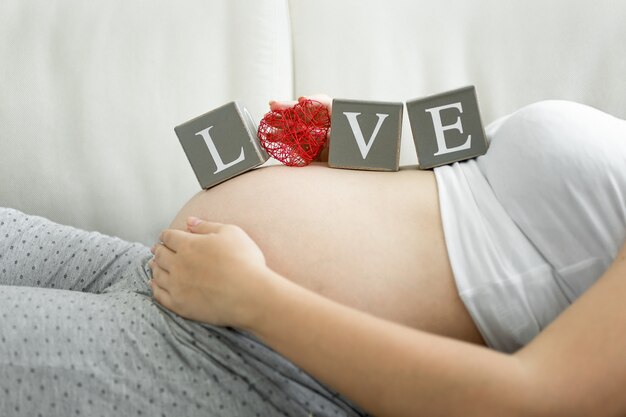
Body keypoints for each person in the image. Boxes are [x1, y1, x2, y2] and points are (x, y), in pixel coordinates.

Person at [1, 97, 625, 417]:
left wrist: (256, 298)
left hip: (248, 361)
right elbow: (470, 165)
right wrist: (345, 132)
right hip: (167, 272)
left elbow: (531, 401)